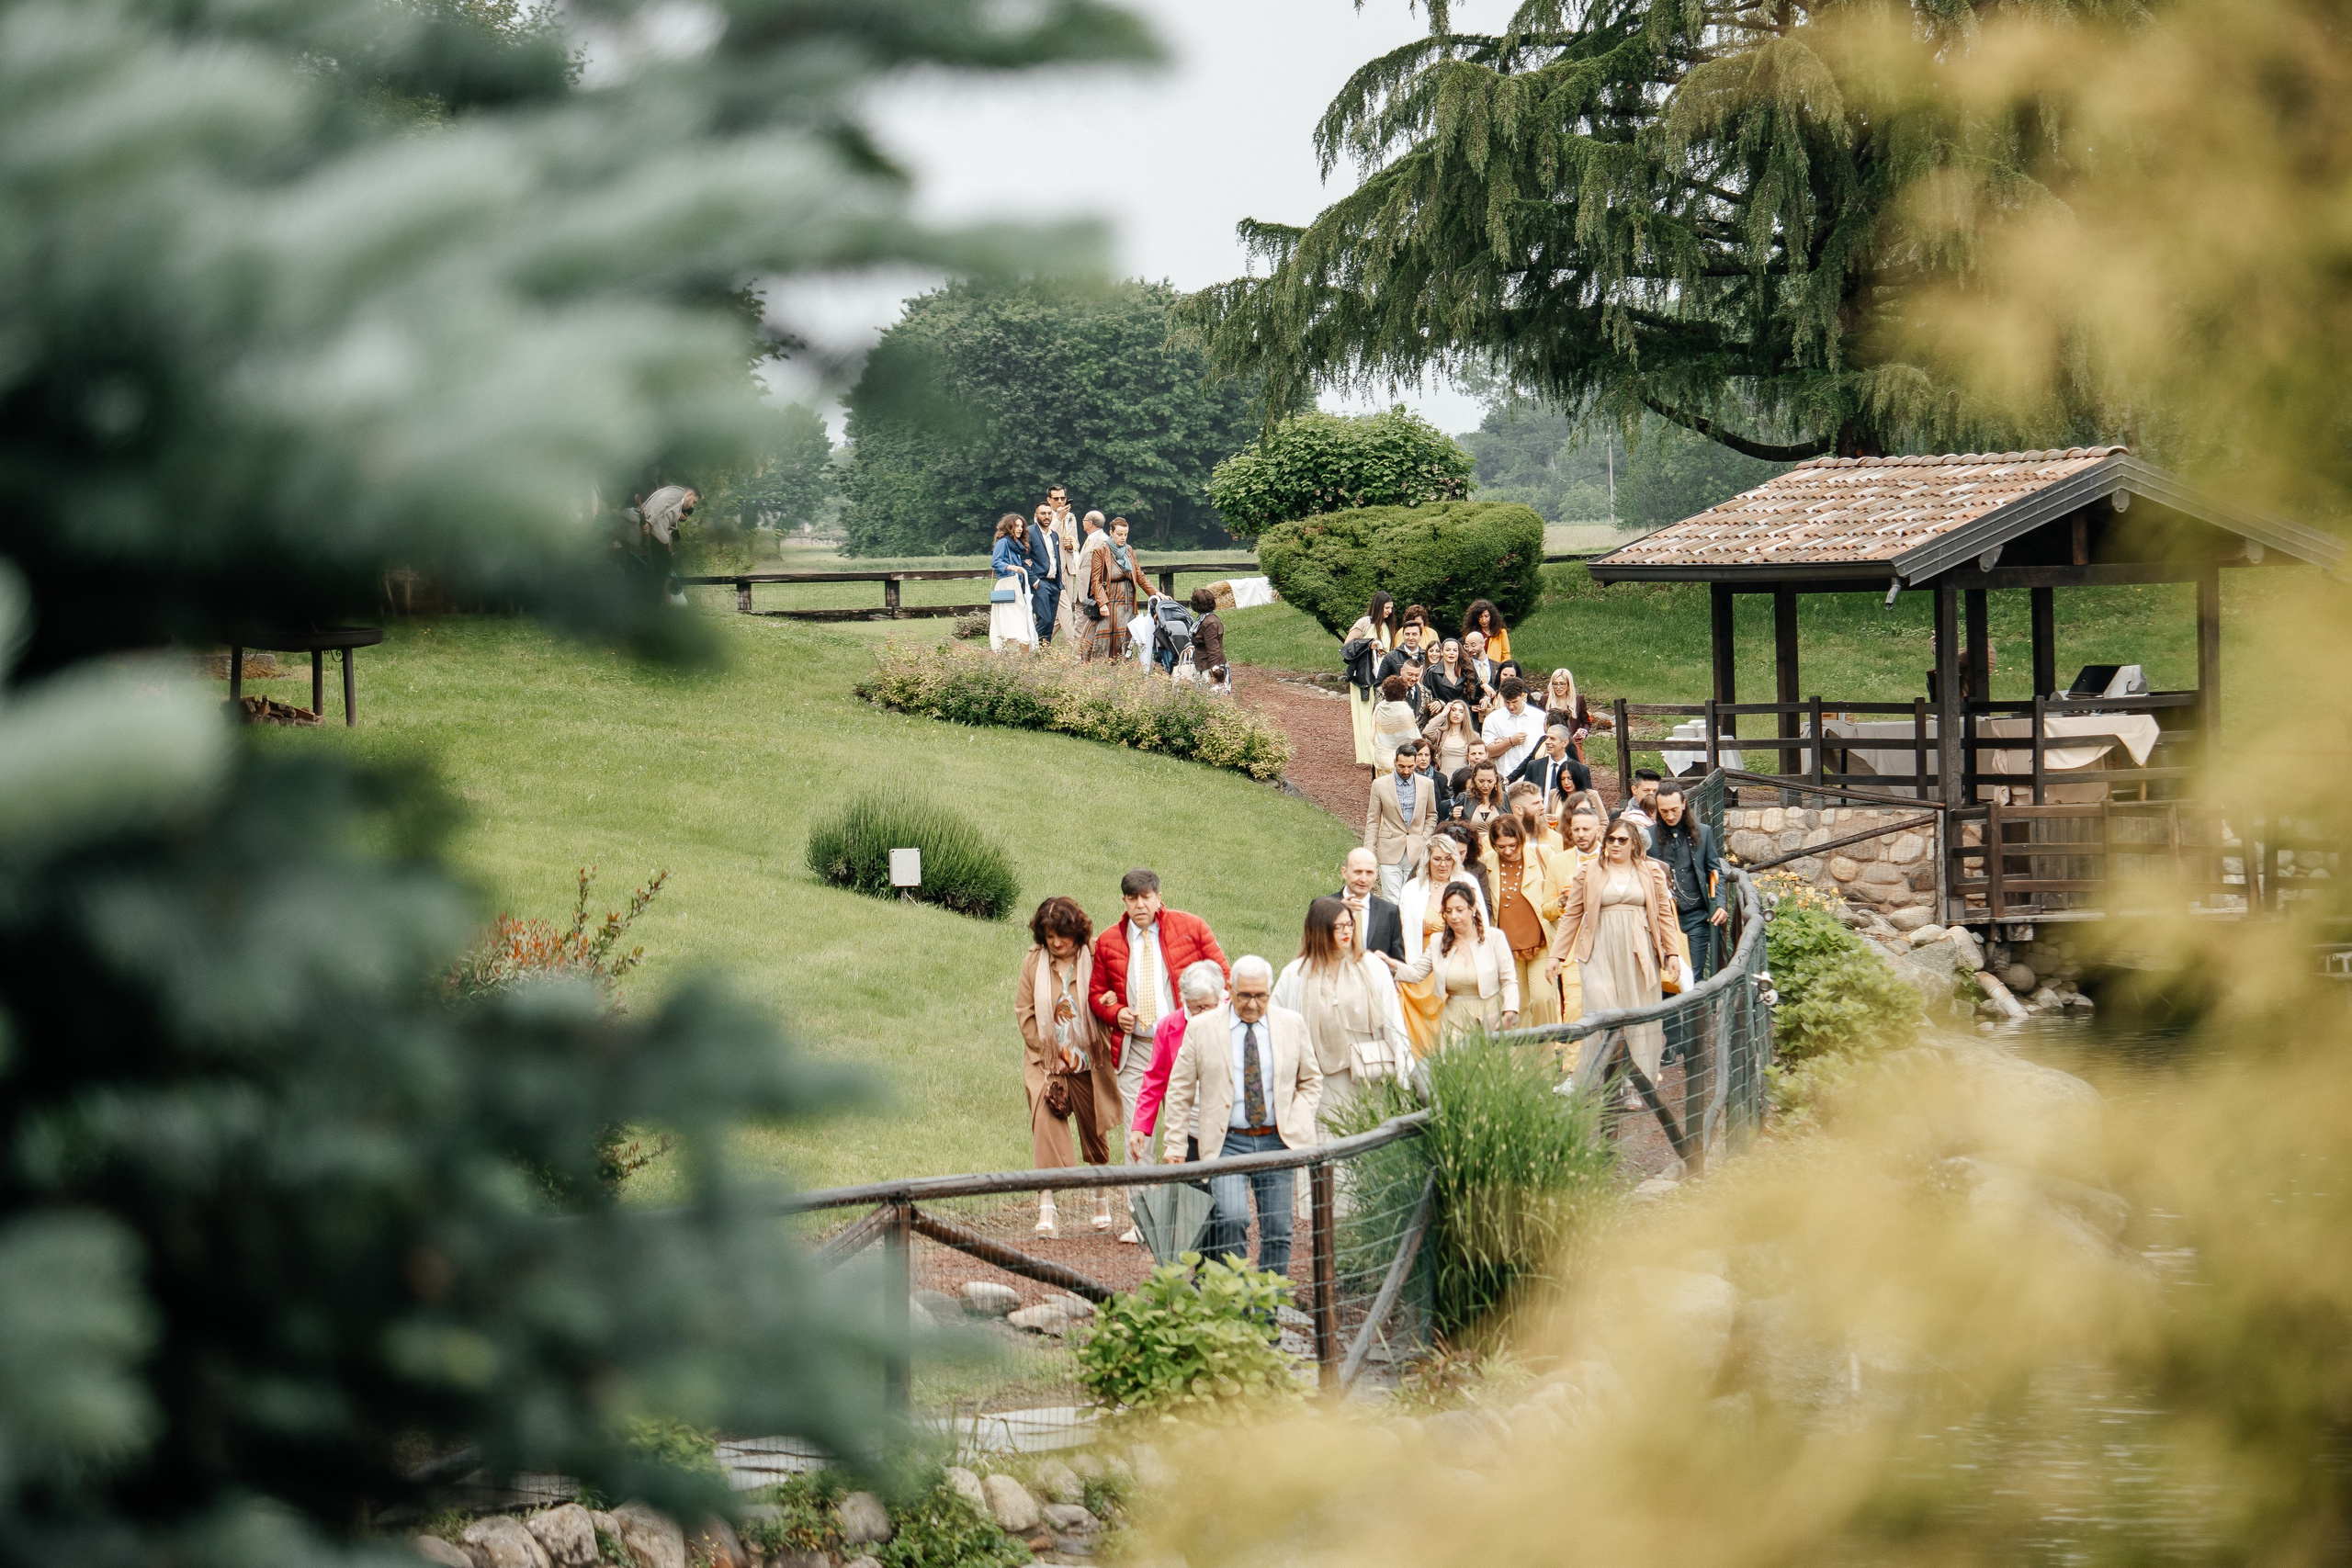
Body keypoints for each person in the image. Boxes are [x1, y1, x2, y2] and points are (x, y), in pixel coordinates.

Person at [1159, 956, 1321, 1277]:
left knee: (1278, 1229)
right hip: (1226, 1143)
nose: (1252, 1004)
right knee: (1232, 1219)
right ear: (1229, 990)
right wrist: (1175, 1145)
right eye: (1244, 995)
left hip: (1276, 1141)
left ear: (1270, 992)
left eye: (1260, 995)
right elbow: (1179, 1089)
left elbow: (1311, 1080)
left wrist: (1296, 1119)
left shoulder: (1291, 1025)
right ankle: (1234, 1304)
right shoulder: (1203, 1028)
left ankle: (1266, 1311)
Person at [1091, 868, 1230, 1239]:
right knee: (1139, 1132)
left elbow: (1224, 975)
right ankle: (1144, 1222)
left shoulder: (1192, 927)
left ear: (1158, 897)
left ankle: (1195, 1211)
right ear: (1124, 901)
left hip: (1188, 1041)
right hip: (1136, 1047)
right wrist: (1114, 1012)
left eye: (1147, 897)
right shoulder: (1107, 942)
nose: (1141, 905)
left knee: (1191, 1125)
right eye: (1133, 899)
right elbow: (1097, 993)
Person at [1014, 897, 1125, 1239]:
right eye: (1048, 936)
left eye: (1061, 935)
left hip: (1090, 1060)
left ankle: (1101, 1197)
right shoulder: (1034, 962)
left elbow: (1115, 996)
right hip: (1047, 1062)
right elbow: (1024, 1011)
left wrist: (1110, 1002)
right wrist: (1049, 1051)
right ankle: (1047, 1207)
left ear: (1077, 932)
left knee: (1095, 1132)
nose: (1056, 942)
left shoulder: (1097, 956)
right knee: (1045, 1126)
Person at [1546, 816, 1681, 1080]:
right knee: (1601, 1012)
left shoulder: (1650, 871)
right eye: (1611, 839)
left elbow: (1665, 915)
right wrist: (1557, 955)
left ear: (1633, 844)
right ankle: (1593, 1080)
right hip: (1598, 950)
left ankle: (1633, 1084)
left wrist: (1672, 952)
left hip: (1638, 950)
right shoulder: (1589, 871)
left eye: (1622, 840)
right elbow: (1573, 915)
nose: (1615, 844)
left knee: (1637, 1017)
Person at [1274, 898, 1410, 1125]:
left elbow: (1392, 1020)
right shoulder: (1296, 974)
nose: (1346, 931)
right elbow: (1278, 1028)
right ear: (1320, 930)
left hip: (1368, 1075)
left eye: (1349, 925)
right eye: (1338, 927)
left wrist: (1404, 1070)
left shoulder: (1371, 966)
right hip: (1323, 1079)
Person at [1392, 833, 1489, 1056]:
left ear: (1455, 860)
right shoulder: (1413, 889)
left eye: (1448, 859)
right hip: (1420, 962)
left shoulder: (1468, 883)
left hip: (1458, 963)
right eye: (1437, 859)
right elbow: (1401, 930)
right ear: (1427, 860)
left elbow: (1482, 924)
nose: (1443, 864)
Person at [1387, 885, 1521, 1043]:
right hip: (1453, 1020)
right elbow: (1416, 974)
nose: (1454, 917)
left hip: (1490, 1017)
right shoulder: (1438, 942)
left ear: (1472, 908)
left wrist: (1510, 1010)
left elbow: (1509, 980)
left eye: (1459, 910)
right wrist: (1389, 964)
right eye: (1448, 911)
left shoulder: (1494, 937)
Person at [1127, 961, 1228, 1163]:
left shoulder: (1234, 1021)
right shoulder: (1169, 1026)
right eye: (1196, 1008)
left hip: (1227, 1130)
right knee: (1191, 1191)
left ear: (1221, 997)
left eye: (1209, 1006)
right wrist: (1140, 1125)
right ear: (1185, 1001)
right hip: (1188, 1130)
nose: (1203, 1014)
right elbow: (1154, 1079)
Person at [1487, 813, 1573, 1029]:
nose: (1507, 851)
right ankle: (1523, 1060)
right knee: (1517, 1007)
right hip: (1506, 950)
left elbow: (1554, 897)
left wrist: (1561, 901)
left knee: (1544, 999)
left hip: (1540, 943)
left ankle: (1548, 1052)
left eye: (1513, 845)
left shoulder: (1542, 854)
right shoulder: (1486, 863)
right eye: (1501, 846)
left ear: (1522, 839)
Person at [1363, 743, 1435, 901]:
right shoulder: (1380, 785)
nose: (1406, 771)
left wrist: (1424, 838)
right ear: (1394, 762)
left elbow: (1431, 815)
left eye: (1410, 766)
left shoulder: (1426, 784)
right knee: (1392, 900)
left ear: (1416, 763)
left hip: (1416, 849)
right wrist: (1368, 850)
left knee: (1412, 899)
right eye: (1402, 766)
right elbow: (1373, 820)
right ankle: (1395, 927)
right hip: (1389, 849)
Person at [1342, 592, 1398, 767]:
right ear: (1378, 606)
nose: (1389, 611)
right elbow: (1347, 645)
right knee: (1366, 714)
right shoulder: (1365, 623)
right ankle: (1368, 755)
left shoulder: (1389, 627)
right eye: (1386, 608)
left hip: (1383, 674)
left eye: (1391, 608)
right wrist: (1368, 645)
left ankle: (1382, 753)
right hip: (1365, 675)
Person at [1086, 516, 1151, 662]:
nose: (1123, 538)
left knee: (1125, 635)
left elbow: (1139, 575)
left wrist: (1155, 593)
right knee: (1105, 634)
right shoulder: (1101, 551)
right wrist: (1102, 603)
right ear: (1111, 532)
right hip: (1110, 599)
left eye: (1125, 534)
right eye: (1119, 534)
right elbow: (1095, 580)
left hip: (1127, 601)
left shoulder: (1129, 550)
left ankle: (1123, 665)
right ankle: (1102, 664)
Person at [1331, 846, 1406, 964]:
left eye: (1369, 873)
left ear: (1376, 875)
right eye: (1358, 872)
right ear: (1344, 872)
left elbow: (1397, 960)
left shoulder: (1389, 912)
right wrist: (1337, 911)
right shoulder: (1322, 907)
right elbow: (1313, 949)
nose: (1363, 879)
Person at [1540, 668, 1612, 766]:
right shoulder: (1545, 699)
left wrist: (1583, 732)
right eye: (1555, 684)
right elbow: (1538, 721)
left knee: (1574, 771)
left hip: (1572, 743)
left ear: (1568, 685)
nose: (1558, 687)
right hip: (1549, 743)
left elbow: (1586, 722)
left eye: (1562, 684)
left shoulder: (1578, 700)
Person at [1513, 723, 1592, 812]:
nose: (1547, 742)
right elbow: (1525, 795)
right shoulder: (1534, 766)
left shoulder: (1581, 770)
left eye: (1553, 739)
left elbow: (1588, 800)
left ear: (1565, 743)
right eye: (1547, 738)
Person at [988, 513, 1037, 653]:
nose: (1020, 529)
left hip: (1016, 584)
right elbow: (996, 561)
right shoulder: (1003, 542)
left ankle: (1019, 652)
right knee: (1010, 619)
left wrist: (1022, 563)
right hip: (1006, 583)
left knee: (1020, 617)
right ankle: (1010, 651)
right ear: (1009, 526)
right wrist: (1013, 567)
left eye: (1021, 526)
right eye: (1016, 526)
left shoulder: (1017, 545)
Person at [1481, 675, 1547, 777]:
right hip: (1505, 776)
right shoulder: (1493, 719)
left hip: (1534, 777)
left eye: (1514, 702)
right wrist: (1510, 742)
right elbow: (1487, 751)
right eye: (1507, 702)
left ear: (1523, 695)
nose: (1511, 706)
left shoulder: (1540, 717)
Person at [1025, 503, 1066, 646]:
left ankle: (1044, 651)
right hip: (1040, 582)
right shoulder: (1029, 532)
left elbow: (1055, 558)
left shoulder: (1054, 534)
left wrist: (1059, 581)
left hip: (1055, 583)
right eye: (1043, 513)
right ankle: (1031, 649)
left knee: (1050, 622)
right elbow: (1023, 559)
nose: (1047, 516)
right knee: (1044, 619)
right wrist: (1035, 581)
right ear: (1036, 515)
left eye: (1049, 513)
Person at [1371, 674, 1420, 772]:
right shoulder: (1405, 711)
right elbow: (1412, 737)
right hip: (1403, 762)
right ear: (1404, 692)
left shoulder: (1380, 707)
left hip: (1382, 758)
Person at [1188, 588, 1230, 690]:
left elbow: (1213, 650)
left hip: (1210, 669)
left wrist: (1216, 674)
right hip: (1205, 666)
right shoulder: (1204, 619)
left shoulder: (1209, 623)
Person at [1425, 637, 1481, 713]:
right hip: (1442, 716)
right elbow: (1425, 697)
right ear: (1442, 652)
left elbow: (1479, 690)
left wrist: (1485, 697)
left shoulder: (1467, 671)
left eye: (1455, 650)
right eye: (1448, 650)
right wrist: (1437, 702)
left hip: (1465, 716)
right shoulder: (1432, 672)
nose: (1451, 653)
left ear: (1458, 652)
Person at [1425, 699, 1478, 777]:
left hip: (1463, 779)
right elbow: (1427, 731)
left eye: (1461, 711)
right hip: (1443, 779)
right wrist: (1443, 714)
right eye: (1453, 710)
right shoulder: (1441, 733)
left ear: (1465, 715)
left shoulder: (1473, 736)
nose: (1456, 713)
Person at [1408, 739, 1454, 826]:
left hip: (1433, 823)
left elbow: (1445, 803)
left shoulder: (1441, 778)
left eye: (1426, 755)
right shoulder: (1407, 777)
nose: (1423, 759)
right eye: (1419, 755)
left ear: (1430, 758)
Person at [1454, 761, 1506, 827]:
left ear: (1496, 779)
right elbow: (1451, 825)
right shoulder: (1464, 797)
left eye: (1490, 781)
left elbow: (1511, 825)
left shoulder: (1504, 797)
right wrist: (1454, 817)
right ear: (1474, 778)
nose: (1485, 785)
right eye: (1481, 781)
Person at [1621, 768, 1663, 848]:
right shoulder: (1619, 817)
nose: (1651, 794)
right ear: (1634, 790)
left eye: (1655, 791)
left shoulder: (1665, 817)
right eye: (1646, 790)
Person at [1463, 600, 1511, 664]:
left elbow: (1506, 656)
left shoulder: (1501, 632)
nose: (1484, 620)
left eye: (1486, 616)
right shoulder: (1470, 634)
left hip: (1496, 669)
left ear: (1492, 616)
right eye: (1480, 617)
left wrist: (1500, 669)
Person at [1462, 628, 1498, 712]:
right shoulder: (1464, 667)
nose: (1470, 649)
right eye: (1467, 646)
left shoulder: (1497, 666)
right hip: (1473, 712)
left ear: (1482, 643)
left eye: (1473, 645)